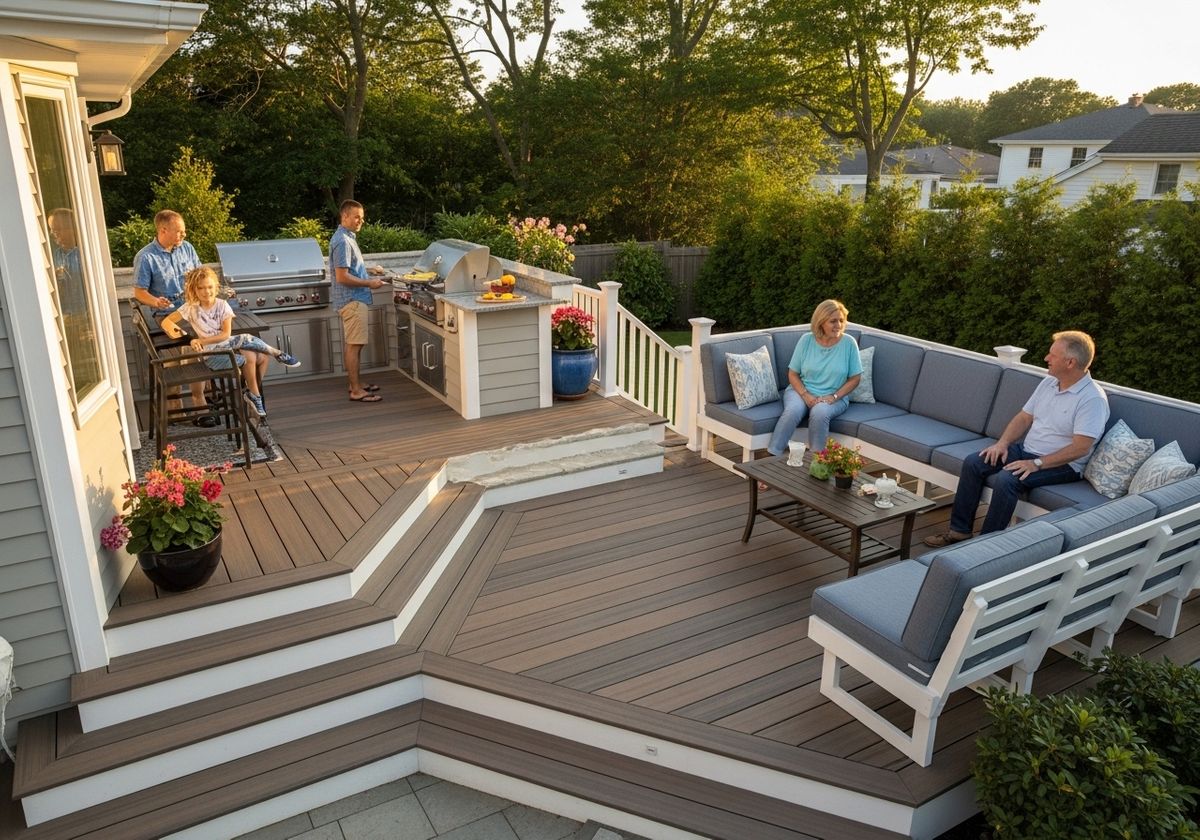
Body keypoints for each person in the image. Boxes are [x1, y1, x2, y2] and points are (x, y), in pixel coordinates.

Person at [924, 330, 1109, 547]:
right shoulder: (1049, 382)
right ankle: (959, 531)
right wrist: (1002, 444)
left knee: (1006, 479)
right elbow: (1024, 417)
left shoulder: (1092, 399)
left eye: (1052, 355)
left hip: (1063, 464)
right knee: (975, 462)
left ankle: (983, 547)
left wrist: (1037, 464)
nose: (1046, 359)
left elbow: (1081, 448)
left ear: (1070, 362)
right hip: (1027, 450)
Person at [161, 267, 301, 418]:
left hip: (224, 346)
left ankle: (255, 392)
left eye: (209, 287)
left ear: (216, 287)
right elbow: (166, 322)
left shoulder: (222, 305)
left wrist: (200, 339)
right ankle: (273, 360)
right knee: (249, 348)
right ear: (193, 289)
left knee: (250, 350)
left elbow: (225, 334)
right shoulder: (190, 308)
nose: (205, 291)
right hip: (211, 356)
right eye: (200, 288)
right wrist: (189, 339)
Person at [131, 210, 212, 424]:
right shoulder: (146, 256)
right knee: (185, 347)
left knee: (203, 341)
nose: (183, 236)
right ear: (163, 230)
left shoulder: (187, 249)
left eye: (184, 232)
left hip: (192, 309)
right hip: (167, 314)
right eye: (179, 232)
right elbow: (139, 292)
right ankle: (184, 408)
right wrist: (156, 301)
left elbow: (200, 276)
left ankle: (201, 401)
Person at [767, 299, 863, 457]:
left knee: (819, 413)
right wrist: (805, 395)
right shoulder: (806, 340)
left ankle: (816, 462)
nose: (838, 325)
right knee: (793, 411)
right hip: (800, 391)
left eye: (841, 320)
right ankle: (771, 458)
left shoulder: (849, 343)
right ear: (821, 322)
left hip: (834, 396)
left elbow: (855, 378)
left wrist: (834, 396)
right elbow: (793, 373)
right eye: (833, 321)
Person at [329, 199, 387, 402]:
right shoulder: (343, 241)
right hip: (352, 300)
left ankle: (356, 383)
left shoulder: (348, 237)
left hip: (354, 299)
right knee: (354, 345)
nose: (359, 221)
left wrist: (368, 269)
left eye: (362, 218)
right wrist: (370, 283)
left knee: (357, 344)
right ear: (344, 216)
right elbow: (342, 276)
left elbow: (350, 268)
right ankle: (355, 390)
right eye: (356, 217)